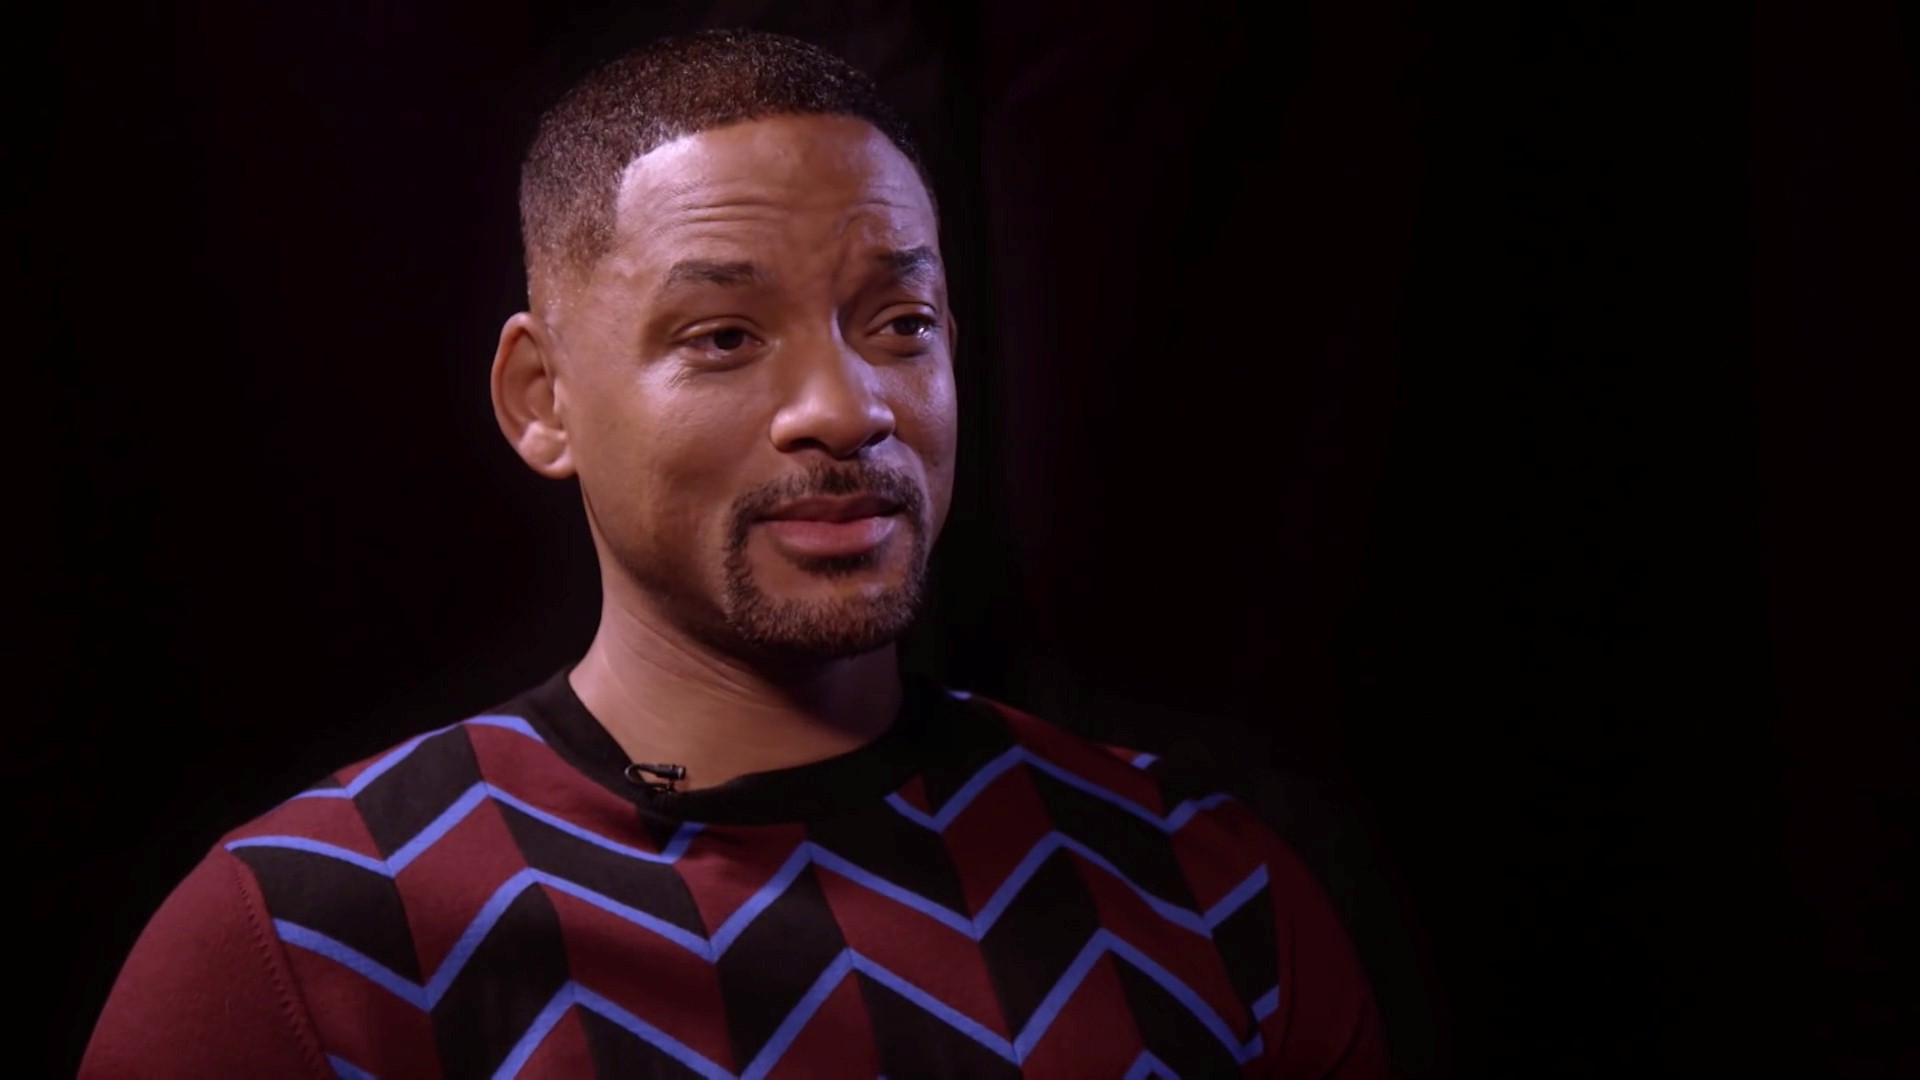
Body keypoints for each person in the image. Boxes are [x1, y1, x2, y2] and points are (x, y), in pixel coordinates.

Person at [81, 28, 1385, 1078]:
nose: (847, 408)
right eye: (722, 337)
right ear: (542, 398)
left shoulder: (1201, 887)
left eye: (901, 322)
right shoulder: (314, 940)